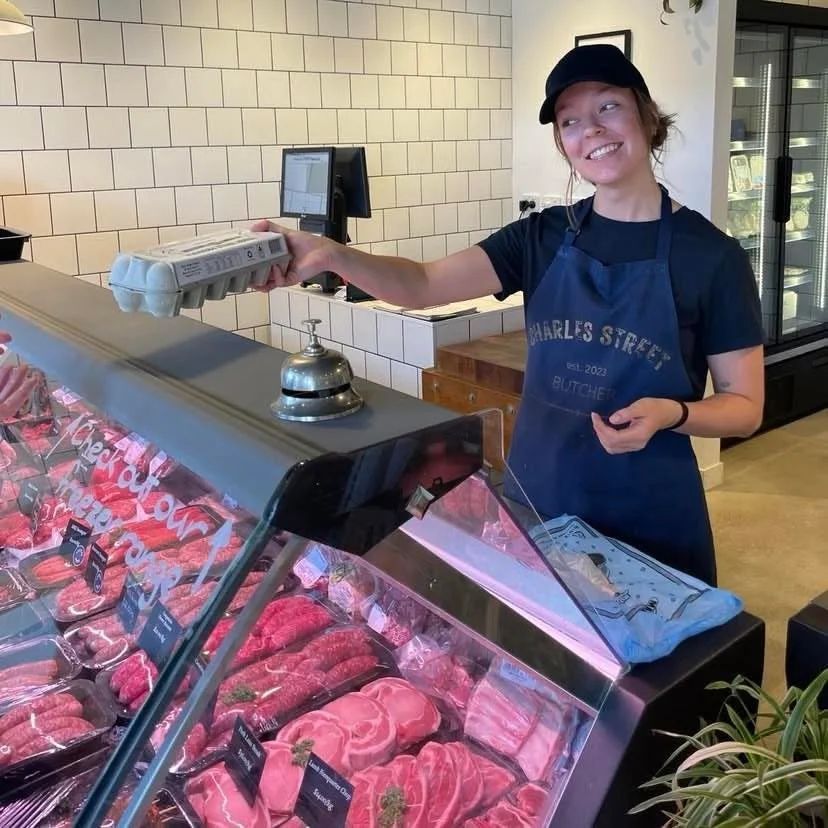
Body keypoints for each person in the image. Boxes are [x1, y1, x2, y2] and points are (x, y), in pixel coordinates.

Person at [252, 44, 765, 587]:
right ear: (563, 145)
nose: (590, 129)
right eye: (570, 121)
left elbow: (745, 406)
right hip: (543, 499)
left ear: (645, 115)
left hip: (650, 513)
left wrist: (673, 414)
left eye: (608, 107)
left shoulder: (711, 256)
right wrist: (332, 254)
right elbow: (423, 284)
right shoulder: (538, 238)